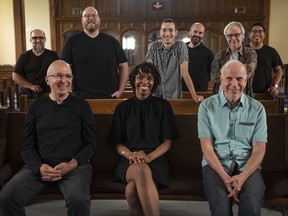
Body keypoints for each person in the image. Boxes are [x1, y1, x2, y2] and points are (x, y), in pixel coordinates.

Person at [0, 60, 97, 216]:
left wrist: (71, 164)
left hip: (74, 167)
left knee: (78, 200)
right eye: (58, 75)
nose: (64, 80)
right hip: (40, 166)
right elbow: (27, 146)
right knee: (6, 197)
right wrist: (39, 167)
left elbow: (91, 144)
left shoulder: (82, 106)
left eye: (68, 76)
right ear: (47, 80)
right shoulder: (36, 107)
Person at [109, 62, 180, 216]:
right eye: (140, 77)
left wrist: (148, 157)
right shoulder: (122, 108)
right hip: (128, 160)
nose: (145, 82)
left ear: (154, 83)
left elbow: (167, 142)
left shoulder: (163, 106)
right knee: (140, 169)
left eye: (150, 78)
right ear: (133, 80)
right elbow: (118, 143)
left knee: (131, 190)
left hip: (156, 159)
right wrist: (131, 155)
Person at [198, 60, 267, 216]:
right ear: (221, 80)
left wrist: (241, 178)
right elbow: (207, 148)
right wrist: (226, 178)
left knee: (251, 205)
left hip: (247, 166)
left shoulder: (257, 109)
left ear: (246, 80)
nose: (234, 84)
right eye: (229, 78)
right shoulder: (206, 107)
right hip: (216, 165)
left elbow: (259, 150)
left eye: (239, 79)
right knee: (221, 208)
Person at [61, 6, 129, 99]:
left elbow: (123, 66)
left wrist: (121, 91)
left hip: (109, 96)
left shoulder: (112, 42)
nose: (91, 18)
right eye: (87, 16)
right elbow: (65, 68)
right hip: (80, 97)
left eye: (94, 15)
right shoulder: (72, 42)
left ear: (99, 19)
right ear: (82, 19)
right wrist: (68, 90)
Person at [145, 18, 203, 102]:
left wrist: (194, 95)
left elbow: (185, 73)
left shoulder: (181, 47)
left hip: (174, 97)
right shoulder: (153, 46)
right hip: (155, 95)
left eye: (171, 30)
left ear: (176, 32)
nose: (167, 34)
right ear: (160, 32)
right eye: (164, 30)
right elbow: (148, 71)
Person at [211, 21, 257, 97]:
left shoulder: (250, 53)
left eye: (237, 35)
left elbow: (248, 72)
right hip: (220, 95)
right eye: (229, 35)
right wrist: (240, 70)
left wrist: (224, 73)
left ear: (243, 36)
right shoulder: (220, 54)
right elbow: (214, 76)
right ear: (226, 37)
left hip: (244, 96)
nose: (233, 38)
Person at [13, 29, 59, 97]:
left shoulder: (53, 55)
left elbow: (59, 73)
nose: (38, 40)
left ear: (45, 39)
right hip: (28, 93)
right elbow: (15, 76)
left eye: (41, 37)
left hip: (48, 93)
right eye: (34, 38)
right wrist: (31, 86)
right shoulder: (24, 56)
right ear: (30, 40)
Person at [248, 22, 283, 97]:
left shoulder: (271, 51)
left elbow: (278, 71)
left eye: (260, 31)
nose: (257, 34)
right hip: (245, 94)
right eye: (254, 31)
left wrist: (274, 86)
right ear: (249, 35)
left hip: (266, 94)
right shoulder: (243, 51)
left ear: (264, 35)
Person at [182, 22, 214, 92]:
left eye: (200, 33)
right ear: (190, 32)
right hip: (181, 91)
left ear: (203, 35)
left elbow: (210, 73)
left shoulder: (208, 53)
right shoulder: (181, 49)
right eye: (195, 31)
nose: (197, 34)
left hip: (200, 92)